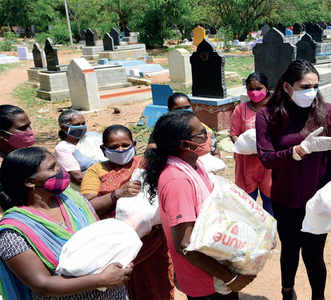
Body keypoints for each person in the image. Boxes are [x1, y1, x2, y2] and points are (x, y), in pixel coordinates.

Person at [255, 60, 331, 300]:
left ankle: (318, 296)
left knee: (315, 253)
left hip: (320, 199)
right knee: (290, 250)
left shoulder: (329, 113)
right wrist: (297, 151)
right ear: (287, 87)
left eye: (315, 86)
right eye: (305, 86)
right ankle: (287, 291)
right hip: (287, 198)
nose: (311, 92)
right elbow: (266, 158)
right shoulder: (269, 115)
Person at [144, 110, 256, 299]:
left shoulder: (195, 166)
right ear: (185, 144)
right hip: (206, 280)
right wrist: (229, 278)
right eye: (202, 133)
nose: (208, 136)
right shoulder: (177, 180)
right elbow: (186, 244)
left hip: (217, 270)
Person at [0, 147, 132, 300]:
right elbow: (41, 285)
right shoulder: (13, 231)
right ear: (30, 182)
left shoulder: (72, 200)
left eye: (58, 164)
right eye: (52, 168)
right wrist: (101, 280)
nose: (60, 170)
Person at [81, 124, 174, 300]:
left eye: (125, 145)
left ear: (134, 143)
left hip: (152, 243)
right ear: (103, 149)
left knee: (156, 287)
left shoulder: (146, 163)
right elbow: (89, 206)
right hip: (116, 248)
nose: (121, 150)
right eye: (114, 147)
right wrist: (117, 194)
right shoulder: (96, 171)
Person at [230, 72, 273, 215]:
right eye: (250, 89)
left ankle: (270, 233)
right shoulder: (240, 109)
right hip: (246, 164)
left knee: (270, 202)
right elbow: (234, 134)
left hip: (269, 164)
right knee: (247, 206)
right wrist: (245, 145)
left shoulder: (275, 108)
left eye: (258, 88)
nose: (254, 93)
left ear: (266, 88)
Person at [148, 93, 220, 157]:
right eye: (178, 109)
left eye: (187, 107)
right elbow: (152, 150)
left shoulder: (201, 128)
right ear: (170, 111)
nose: (184, 112)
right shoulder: (163, 130)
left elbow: (215, 152)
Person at [0, 104, 35, 217]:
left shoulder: (27, 154)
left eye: (29, 126)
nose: (30, 131)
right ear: (2, 135)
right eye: (23, 128)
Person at [55, 109, 95, 186]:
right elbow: (78, 177)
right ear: (64, 128)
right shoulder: (63, 148)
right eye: (77, 125)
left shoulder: (92, 138)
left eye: (83, 123)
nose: (81, 127)